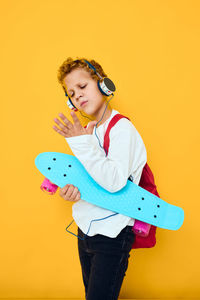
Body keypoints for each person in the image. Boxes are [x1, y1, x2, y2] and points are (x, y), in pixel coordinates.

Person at [53, 57, 147, 300]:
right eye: (72, 94)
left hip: (112, 234)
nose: (78, 96)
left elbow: (114, 181)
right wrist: (72, 190)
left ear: (103, 84)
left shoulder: (122, 129)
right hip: (85, 231)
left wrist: (80, 143)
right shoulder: (91, 132)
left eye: (82, 87)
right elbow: (92, 181)